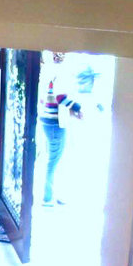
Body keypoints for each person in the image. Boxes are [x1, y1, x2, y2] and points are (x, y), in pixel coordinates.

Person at [38, 51, 83, 207]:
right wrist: (77, 107)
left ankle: (53, 195)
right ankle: (47, 198)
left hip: (48, 120)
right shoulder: (60, 72)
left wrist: (70, 112)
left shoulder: (48, 70)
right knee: (54, 161)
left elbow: (50, 98)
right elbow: (60, 97)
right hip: (54, 124)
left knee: (54, 159)